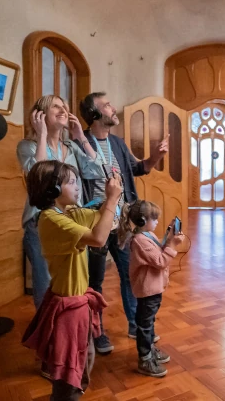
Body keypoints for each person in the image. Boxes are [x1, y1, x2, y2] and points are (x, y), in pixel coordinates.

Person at [21, 160, 122, 399]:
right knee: (69, 372)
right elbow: (98, 238)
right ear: (53, 189)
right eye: (72, 182)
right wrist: (112, 200)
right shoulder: (52, 220)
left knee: (83, 358)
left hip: (77, 303)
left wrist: (113, 201)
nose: (78, 187)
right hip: (67, 307)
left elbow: (103, 219)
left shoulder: (69, 213)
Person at [77, 92, 168, 354]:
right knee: (95, 282)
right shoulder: (78, 142)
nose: (113, 107)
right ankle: (97, 333)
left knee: (132, 275)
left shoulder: (117, 142)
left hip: (124, 224)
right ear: (94, 115)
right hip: (96, 222)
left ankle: (135, 325)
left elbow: (138, 169)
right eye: (107, 105)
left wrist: (155, 157)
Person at [17, 95, 105, 309]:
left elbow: (96, 169)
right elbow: (38, 177)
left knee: (73, 279)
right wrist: (42, 135)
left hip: (73, 219)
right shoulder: (27, 146)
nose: (64, 109)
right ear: (39, 115)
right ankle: (49, 332)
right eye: (56, 106)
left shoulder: (71, 147)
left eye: (65, 106)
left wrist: (80, 137)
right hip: (41, 222)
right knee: (47, 282)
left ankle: (69, 327)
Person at [118, 200, 184, 378]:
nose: (156, 222)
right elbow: (160, 261)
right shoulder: (140, 241)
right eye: (153, 219)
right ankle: (145, 358)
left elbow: (159, 249)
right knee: (145, 325)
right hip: (147, 290)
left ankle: (149, 350)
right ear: (141, 221)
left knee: (149, 321)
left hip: (153, 289)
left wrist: (169, 237)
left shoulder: (148, 235)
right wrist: (174, 246)